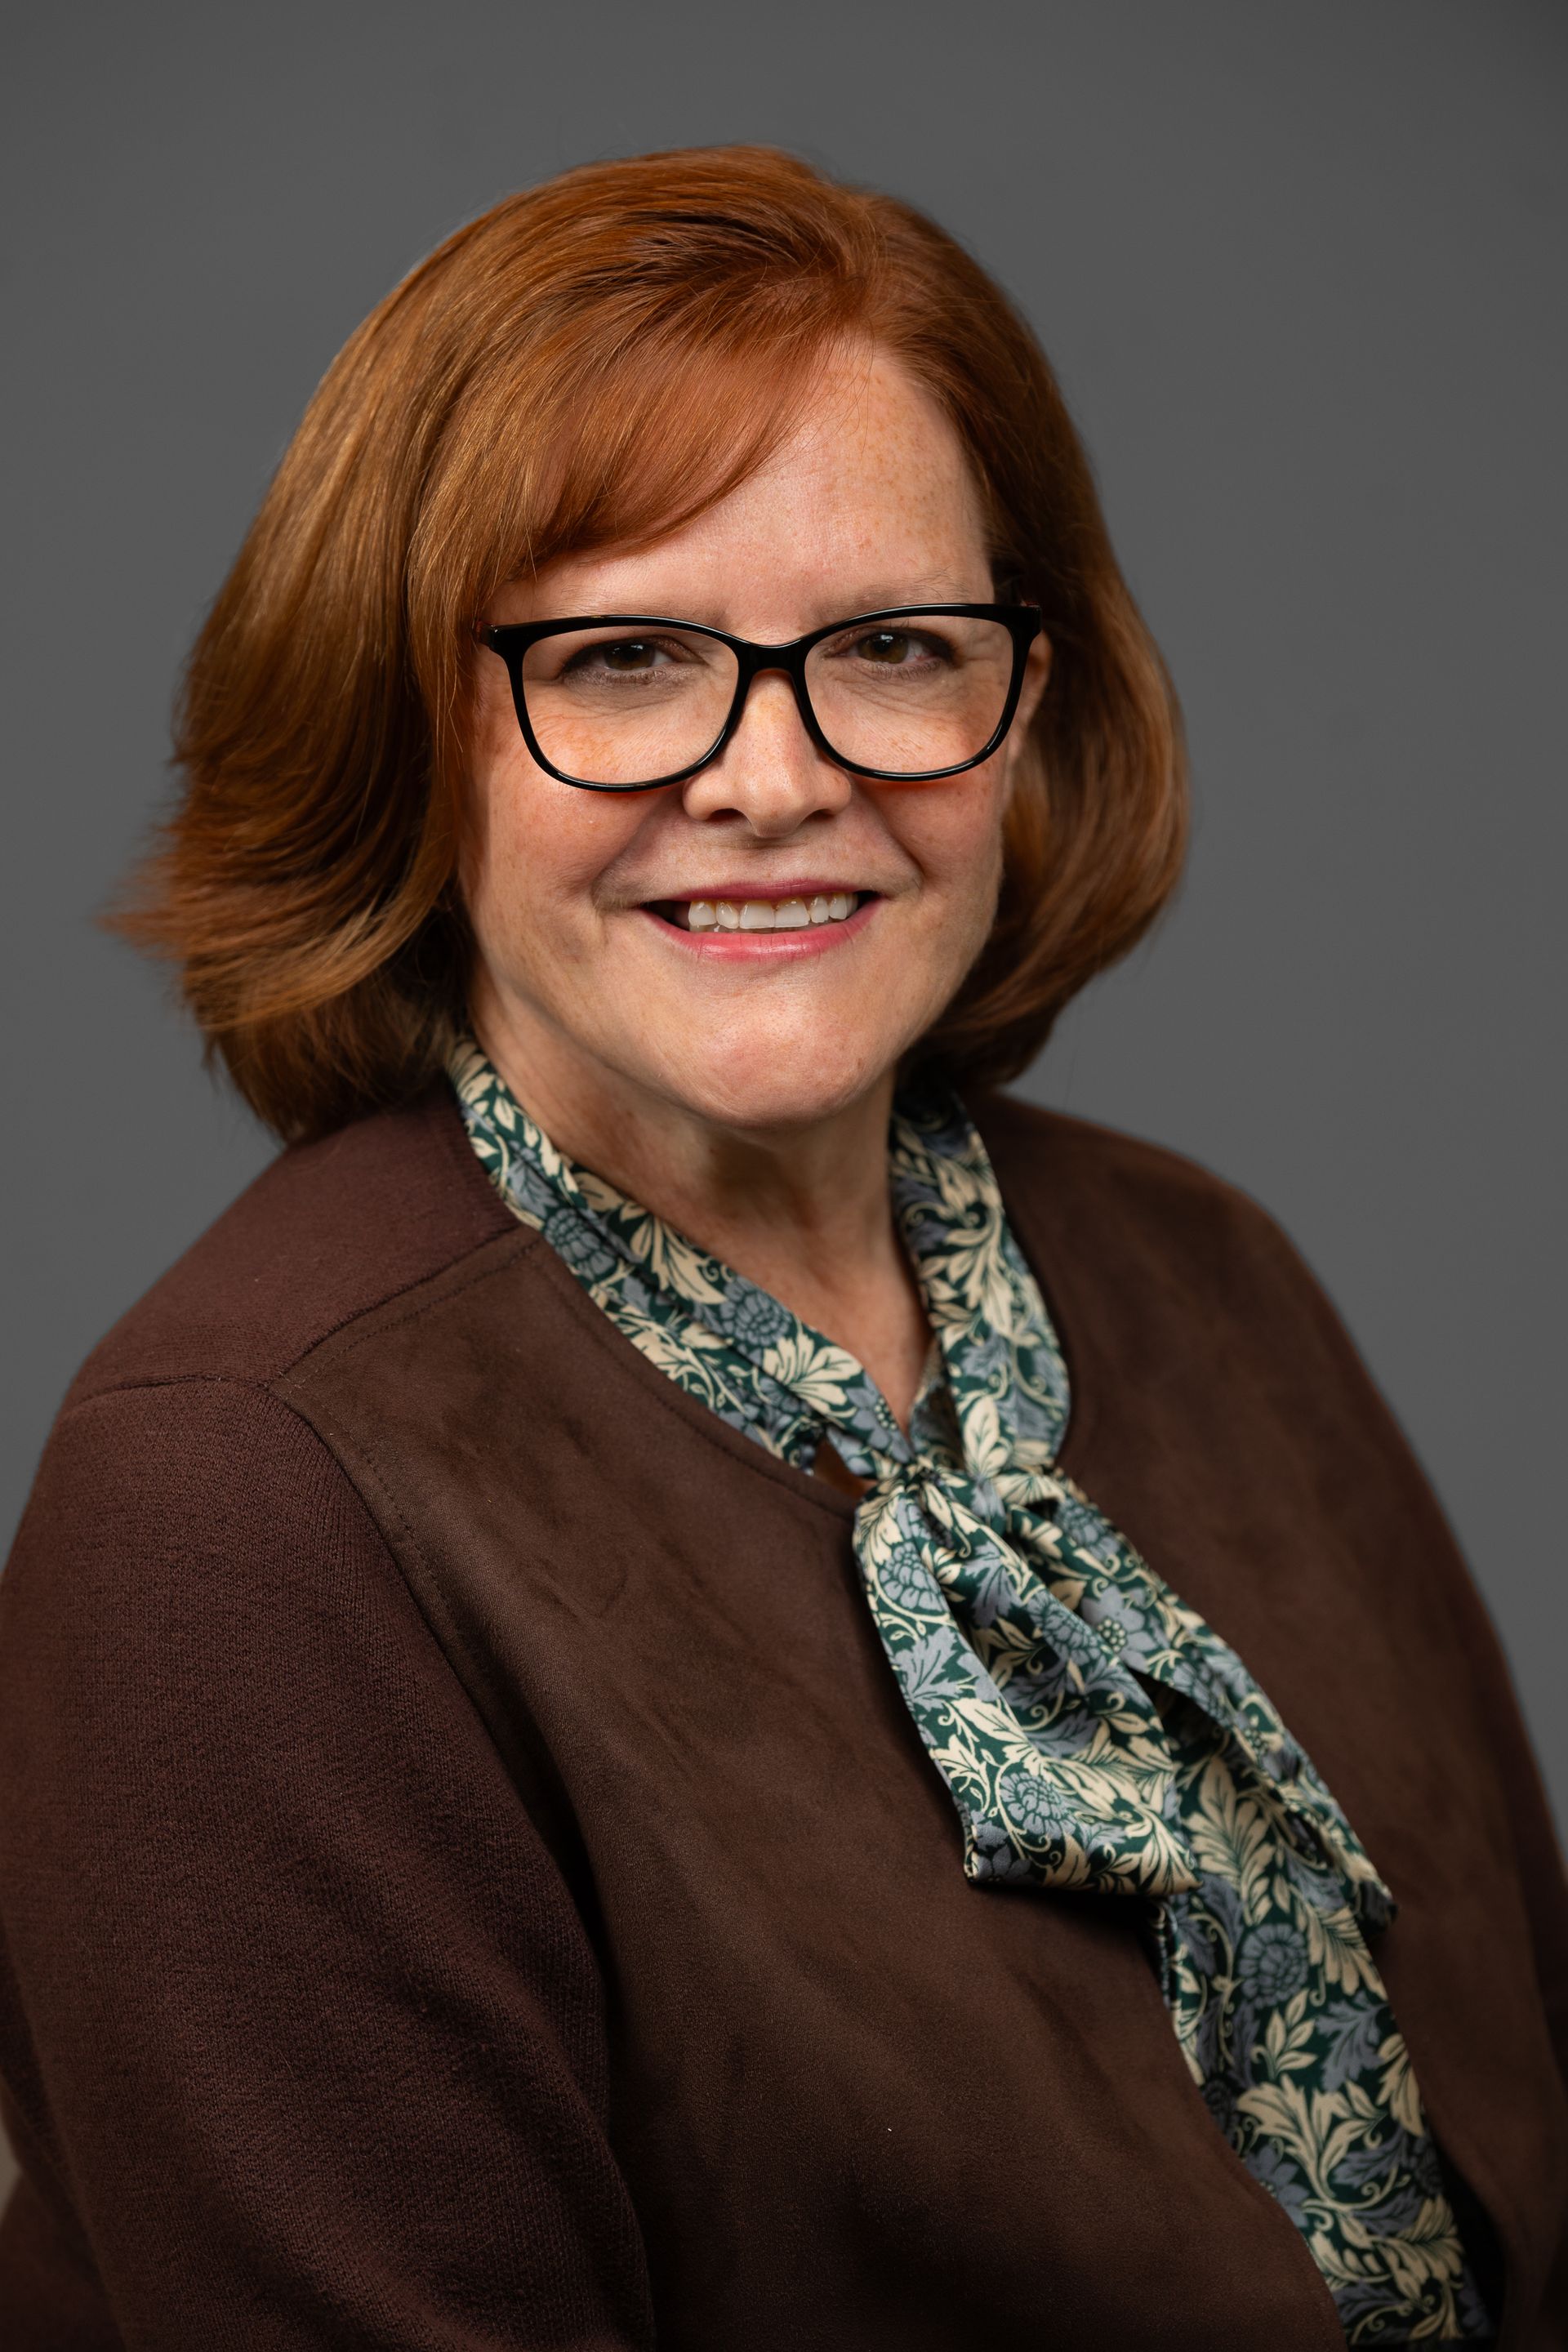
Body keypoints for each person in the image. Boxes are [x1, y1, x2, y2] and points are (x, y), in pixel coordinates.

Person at [0, 145, 1561, 2352]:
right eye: (628, 659)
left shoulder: (1204, 1276)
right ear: (404, 727)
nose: (773, 774)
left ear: (1025, 700)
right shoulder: (240, 1500)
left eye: (895, 649)